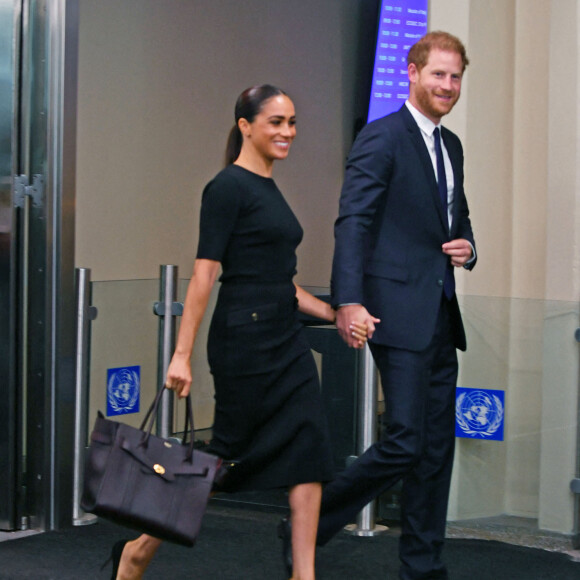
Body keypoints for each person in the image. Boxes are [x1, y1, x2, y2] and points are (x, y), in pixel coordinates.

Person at [107, 84, 368, 580]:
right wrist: (180, 354)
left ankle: (304, 574)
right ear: (246, 126)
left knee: (310, 447)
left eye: (292, 122)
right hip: (243, 341)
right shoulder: (227, 187)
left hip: (285, 338)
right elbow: (206, 273)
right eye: (276, 122)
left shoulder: (268, 187)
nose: (288, 132)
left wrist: (334, 313)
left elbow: (281, 285)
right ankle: (139, 548)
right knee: (224, 457)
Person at [319, 31, 477, 579]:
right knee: (407, 441)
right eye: (438, 74)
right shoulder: (382, 137)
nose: (448, 86)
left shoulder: (451, 145)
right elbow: (354, 221)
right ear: (412, 73)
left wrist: (469, 247)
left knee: (435, 452)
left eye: (455, 77)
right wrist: (348, 301)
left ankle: (423, 567)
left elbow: (456, 218)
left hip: (440, 316)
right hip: (393, 313)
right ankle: (309, 519)